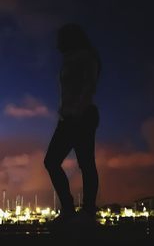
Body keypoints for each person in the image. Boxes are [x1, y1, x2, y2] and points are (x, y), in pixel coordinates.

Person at [44, 23, 101, 224]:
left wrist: (77, 110)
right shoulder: (68, 59)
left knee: (85, 164)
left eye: (61, 38)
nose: (57, 43)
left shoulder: (86, 57)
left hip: (82, 115)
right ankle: (69, 210)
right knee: (52, 161)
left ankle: (87, 211)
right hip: (68, 117)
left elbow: (88, 85)